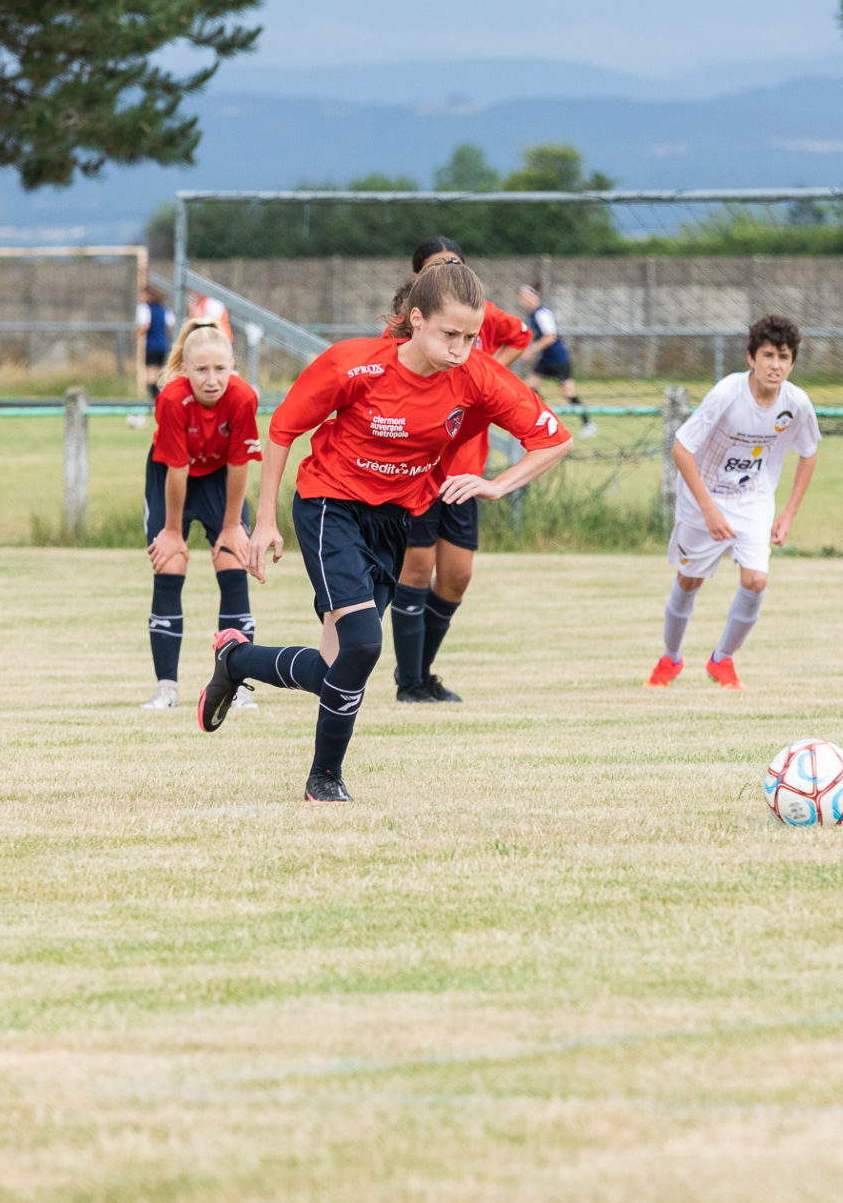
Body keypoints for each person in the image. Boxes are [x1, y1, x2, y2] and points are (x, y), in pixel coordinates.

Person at [196, 261, 573, 803]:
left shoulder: (477, 376)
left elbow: (554, 440)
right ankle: (324, 779)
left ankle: (236, 661)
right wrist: (268, 524)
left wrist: (495, 485)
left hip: (395, 521)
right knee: (367, 644)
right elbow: (283, 428)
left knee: (337, 668)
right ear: (415, 320)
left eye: (471, 337)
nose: (461, 349)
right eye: (449, 334)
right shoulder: (355, 366)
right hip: (330, 506)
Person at [389, 237, 532, 703]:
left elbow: (521, 335)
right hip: (419, 472)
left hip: (464, 474)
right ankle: (408, 682)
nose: (448, 273)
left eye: (455, 265)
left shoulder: (477, 313)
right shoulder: (410, 329)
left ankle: (422, 672)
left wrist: (485, 370)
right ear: (417, 282)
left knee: (456, 576)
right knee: (417, 567)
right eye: (437, 267)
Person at [649, 313, 820, 692]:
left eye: (784, 357)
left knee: (756, 580)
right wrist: (708, 508)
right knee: (689, 579)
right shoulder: (727, 393)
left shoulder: (797, 404)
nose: (776, 365)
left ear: (793, 363)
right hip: (702, 499)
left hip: (753, 500)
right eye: (768, 355)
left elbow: (809, 452)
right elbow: (681, 449)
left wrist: (789, 512)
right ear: (751, 358)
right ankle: (670, 658)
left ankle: (722, 660)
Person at [140, 319, 261, 711]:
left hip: (220, 479)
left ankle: (238, 686)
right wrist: (172, 532)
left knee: (232, 562)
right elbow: (177, 470)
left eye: (221, 369)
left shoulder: (243, 397)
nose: (212, 379)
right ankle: (166, 689)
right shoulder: (173, 400)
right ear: (185, 370)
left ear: (233, 366)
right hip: (172, 478)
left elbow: (241, 464)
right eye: (202, 370)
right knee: (170, 564)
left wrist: (231, 527)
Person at [519, 282, 582, 409]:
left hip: (558, 358)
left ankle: (587, 424)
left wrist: (531, 350)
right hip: (546, 359)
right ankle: (542, 410)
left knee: (568, 392)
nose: (522, 301)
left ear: (533, 297)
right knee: (528, 387)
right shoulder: (531, 315)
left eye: (524, 297)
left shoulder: (542, 313)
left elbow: (550, 337)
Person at [136, 284, 173, 401]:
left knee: (150, 376)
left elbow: (144, 325)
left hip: (151, 345)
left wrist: (136, 335)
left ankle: (157, 399)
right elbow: (169, 325)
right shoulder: (164, 309)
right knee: (161, 374)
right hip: (163, 344)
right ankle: (161, 396)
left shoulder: (145, 308)